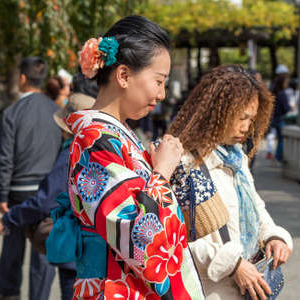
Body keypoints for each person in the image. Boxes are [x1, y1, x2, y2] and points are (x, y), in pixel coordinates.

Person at [66, 15, 204, 299]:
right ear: (124, 76)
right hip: (117, 288)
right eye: (159, 81)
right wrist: (162, 172)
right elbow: (138, 235)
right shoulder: (95, 141)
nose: (163, 93)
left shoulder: (113, 136)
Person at [167, 65, 293, 300]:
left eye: (251, 119)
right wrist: (232, 264)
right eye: (240, 117)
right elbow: (171, 237)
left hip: (244, 287)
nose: (246, 127)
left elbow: (256, 206)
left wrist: (274, 236)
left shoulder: (236, 157)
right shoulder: (182, 162)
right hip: (207, 290)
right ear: (215, 112)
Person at [0, 73, 98, 300]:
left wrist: (9, 218)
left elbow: (45, 200)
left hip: (75, 246)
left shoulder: (72, 153)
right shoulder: (98, 150)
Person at [0, 56, 62, 300]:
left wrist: (2, 194)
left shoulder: (12, 112)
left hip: (17, 189)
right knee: (42, 249)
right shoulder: (56, 112)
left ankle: (8, 293)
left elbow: (5, 158)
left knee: (11, 247)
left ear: (23, 78)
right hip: (47, 190)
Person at [270, 73, 291, 163]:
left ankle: (276, 156)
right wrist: (291, 107)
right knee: (281, 140)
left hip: (274, 119)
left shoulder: (273, 92)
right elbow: (286, 108)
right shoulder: (282, 94)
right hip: (280, 119)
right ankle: (278, 157)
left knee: (277, 138)